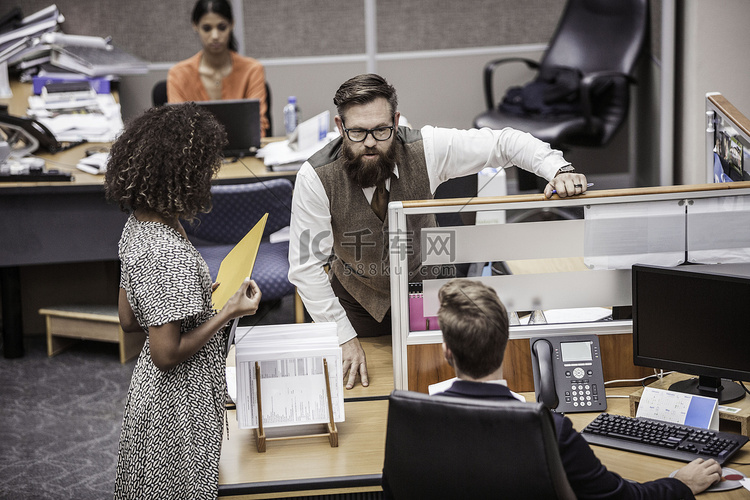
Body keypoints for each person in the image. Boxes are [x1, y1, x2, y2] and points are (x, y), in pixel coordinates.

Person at [288, 73, 589, 389]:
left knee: (435, 383)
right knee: (367, 388)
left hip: (426, 290)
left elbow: (505, 143)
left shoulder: (426, 148)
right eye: (357, 132)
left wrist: (558, 169)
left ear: (396, 120)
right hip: (356, 301)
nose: (370, 143)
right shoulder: (315, 177)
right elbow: (306, 267)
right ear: (339, 127)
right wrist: (342, 337)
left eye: (381, 129)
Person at [432, 279, 722, 499]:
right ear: (507, 340)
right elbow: (621, 497)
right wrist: (681, 483)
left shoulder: (419, 420)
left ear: (446, 351)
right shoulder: (549, 429)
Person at [105, 103, 262, 499]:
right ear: (182, 175)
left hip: (149, 400)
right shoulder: (166, 253)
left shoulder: (138, 224)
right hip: (179, 406)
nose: (207, 180)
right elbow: (166, 352)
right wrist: (228, 311)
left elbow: (128, 317)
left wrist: (190, 298)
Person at [167, 0, 269, 136]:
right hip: (195, 155)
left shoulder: (252, 69)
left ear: (232, 24)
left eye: (221, 27)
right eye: (207, 28)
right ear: (195, 26)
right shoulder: (178, 74)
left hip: (243, 155)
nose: (215, 36)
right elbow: (178, 129)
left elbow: (258, 128)